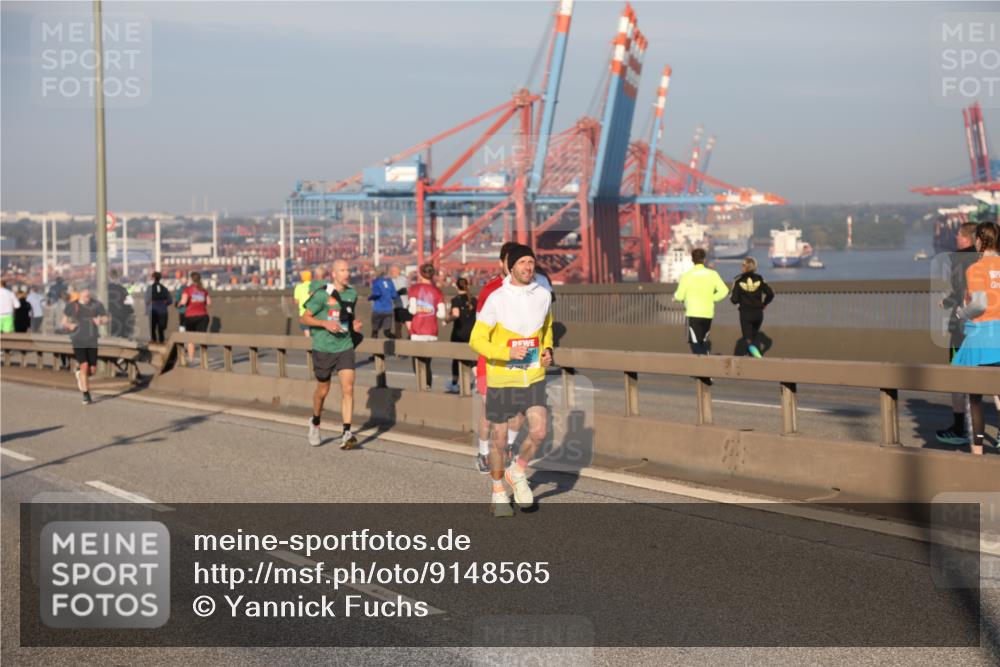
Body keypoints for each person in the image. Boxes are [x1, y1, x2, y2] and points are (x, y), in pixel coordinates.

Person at [470, 244, 554, 517]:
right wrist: (506, 353)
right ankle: (497, 491)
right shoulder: (496, 299)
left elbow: (546, 328)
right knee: (499, 440)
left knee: (539, 432)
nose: (528, 267)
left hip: (533, 375)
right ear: (511, 266)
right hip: (503, 378)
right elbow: (476, 340)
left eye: (531, 261)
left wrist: (547, 349)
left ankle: (516, 471)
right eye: (522, 262)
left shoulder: (543, 295)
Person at [473, 242, 538, 473]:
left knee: (520, 410)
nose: (520, 266)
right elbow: (480, 332)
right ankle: (483, 452)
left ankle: (508, 446)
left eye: (526, 262)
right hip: (491, 361)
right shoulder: (491, 291)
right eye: (515, 261)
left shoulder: (534, 290)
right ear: (503, 263)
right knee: (489, 412)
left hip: (523, 361)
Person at [300, 259, 364, 449]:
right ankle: (315, 421)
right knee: (323, 391)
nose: (347, 273)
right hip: (323, 348)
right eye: (342, 270)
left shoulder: (352, 294)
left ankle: (347, 433)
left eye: (348, 270)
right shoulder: (322, 295)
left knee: (348, 389)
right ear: (334, 274)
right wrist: (324, 323)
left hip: (345, 346)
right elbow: (304, 318)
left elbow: (349, 316)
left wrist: (354, 325)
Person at [951, 222, 1000, 455]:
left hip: (981, 337)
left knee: (974, 397)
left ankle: (977, 457)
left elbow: (979, 304)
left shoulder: (976, 268)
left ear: (979, 240)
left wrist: (961, 313)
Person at [936, 222, 982, 446]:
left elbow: (961, 291)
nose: (954, 237)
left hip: (962, 328)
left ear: (966, 238)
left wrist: (947, 302)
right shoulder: (987, 260)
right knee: (992, 377)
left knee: (958, 375)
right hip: (987, 327)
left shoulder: (961, 260)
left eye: (957, 234)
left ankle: (959, 428)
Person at [674, 248, 729, 355]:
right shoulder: (713, 274)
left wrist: (675, 297)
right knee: (704, 341)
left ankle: (701, 362)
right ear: (704, 259)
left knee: (695, 343)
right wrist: (712, 298)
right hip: (707, 313)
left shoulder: (687, 276)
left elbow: (679, 296)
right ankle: (706, 358)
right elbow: (724, 291)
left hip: (693, 313)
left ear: (692, 260)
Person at [61, 288, 108, 405]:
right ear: (80, 295)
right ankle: (86, 395)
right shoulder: (72, 306)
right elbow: (63, 321)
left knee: (92, 370)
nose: (88, 298)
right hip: (78, 339)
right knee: (84, 365)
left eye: (89, 296)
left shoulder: (96, 304)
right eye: (86, 296)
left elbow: (106, 318)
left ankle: (79, 373)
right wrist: (69, 325)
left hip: (92, 339)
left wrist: (101, 321)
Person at [407, 263, 446, 386]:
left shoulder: (414, 289)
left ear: (420, 273)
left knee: (417, 363)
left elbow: (412, 310)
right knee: (427, 363)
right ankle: (428, 386)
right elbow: (442, 314)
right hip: (432, 332)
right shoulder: (438, 291)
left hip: (417, 331)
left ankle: (422, 387)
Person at [729, 256, 774, 358]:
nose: (742, 267)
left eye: (743, 265)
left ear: (746, 267)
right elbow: (770, 294)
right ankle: (751, 357)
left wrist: (740, 299)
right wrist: (765, 303)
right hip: (758, 314)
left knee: (748, 340)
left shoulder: (739, 280)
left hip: (746, 314)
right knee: (753, 337)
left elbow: (734, 300)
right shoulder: (760, 278)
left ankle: (758, 358)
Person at [446, 277, 477, 394]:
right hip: (472, 332)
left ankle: (455, 383)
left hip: (459, 332)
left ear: (456, 286)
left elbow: (456, 314)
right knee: (473, 358)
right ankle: (478, 382)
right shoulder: (474, 300)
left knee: (456, 357)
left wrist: (446, 320)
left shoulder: (456, 300)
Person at [179, 271, 211, 363]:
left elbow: (184, 302)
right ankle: (204, 360)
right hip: (203, 316)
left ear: (191, 279)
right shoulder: (203, 291)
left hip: (190, 316)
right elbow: (209, 302)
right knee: (202, 338)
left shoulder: (187, 290)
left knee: (191, 339)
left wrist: (179, 304)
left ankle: (191, 359)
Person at [368, 271, 399, 339]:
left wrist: (370, 298)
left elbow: (377, 294)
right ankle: (396, 340)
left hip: (378, 310)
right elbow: (394, 295)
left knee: (375, 331)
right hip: (388, 311)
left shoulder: (376, 282)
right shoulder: (390, 282)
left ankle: (373, 344)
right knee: (387, 332)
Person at [146, 271, 172, 344]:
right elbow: (170, 301)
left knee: (152, 327)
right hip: (163, 310)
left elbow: (147, 301)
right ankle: (161, 340)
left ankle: (153, 339)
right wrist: (163, 303)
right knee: (161, 327)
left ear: (153, 278)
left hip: (153, 310)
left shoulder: (150, 288)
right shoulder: (165, 289)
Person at [107, 269, 133, 339]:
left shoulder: (105, 289)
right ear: (117, 277)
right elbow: (129, 301)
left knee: (112, 333)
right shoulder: (122, 289)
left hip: (109, 313)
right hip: (121, 314)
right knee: (121, 333)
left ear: (109, 277)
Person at [293, 269, 315, 337]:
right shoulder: (314, 286)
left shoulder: (298, 287)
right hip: (314, 311)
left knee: (306, 330)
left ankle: (308, 343)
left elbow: (296, 301)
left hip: (303, 312)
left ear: (302, 278)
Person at [389, 264, 410, 339]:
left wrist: (394, 294)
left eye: (394, 270)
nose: (392, 272)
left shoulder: (402, 279)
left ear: (398, 271)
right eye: (391, 271)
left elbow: (403, 290)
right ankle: (398, 340)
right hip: (397, 305)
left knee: (408, 324)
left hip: (405, 305)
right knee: (397, 325)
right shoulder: (391, 280)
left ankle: (411, 338)